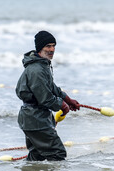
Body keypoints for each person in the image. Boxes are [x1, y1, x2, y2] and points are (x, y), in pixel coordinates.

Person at [16, 31, 80, 161]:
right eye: (48, 46)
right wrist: (62, 105)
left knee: (37, 155)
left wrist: (67, 99)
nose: (52, 50)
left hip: (34, 119)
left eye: (53, 46)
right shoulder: (37, 70)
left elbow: (51, 87)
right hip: (35, 120)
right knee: (57, 153)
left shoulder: (42, 64)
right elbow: (45, 98)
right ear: (40, 48)